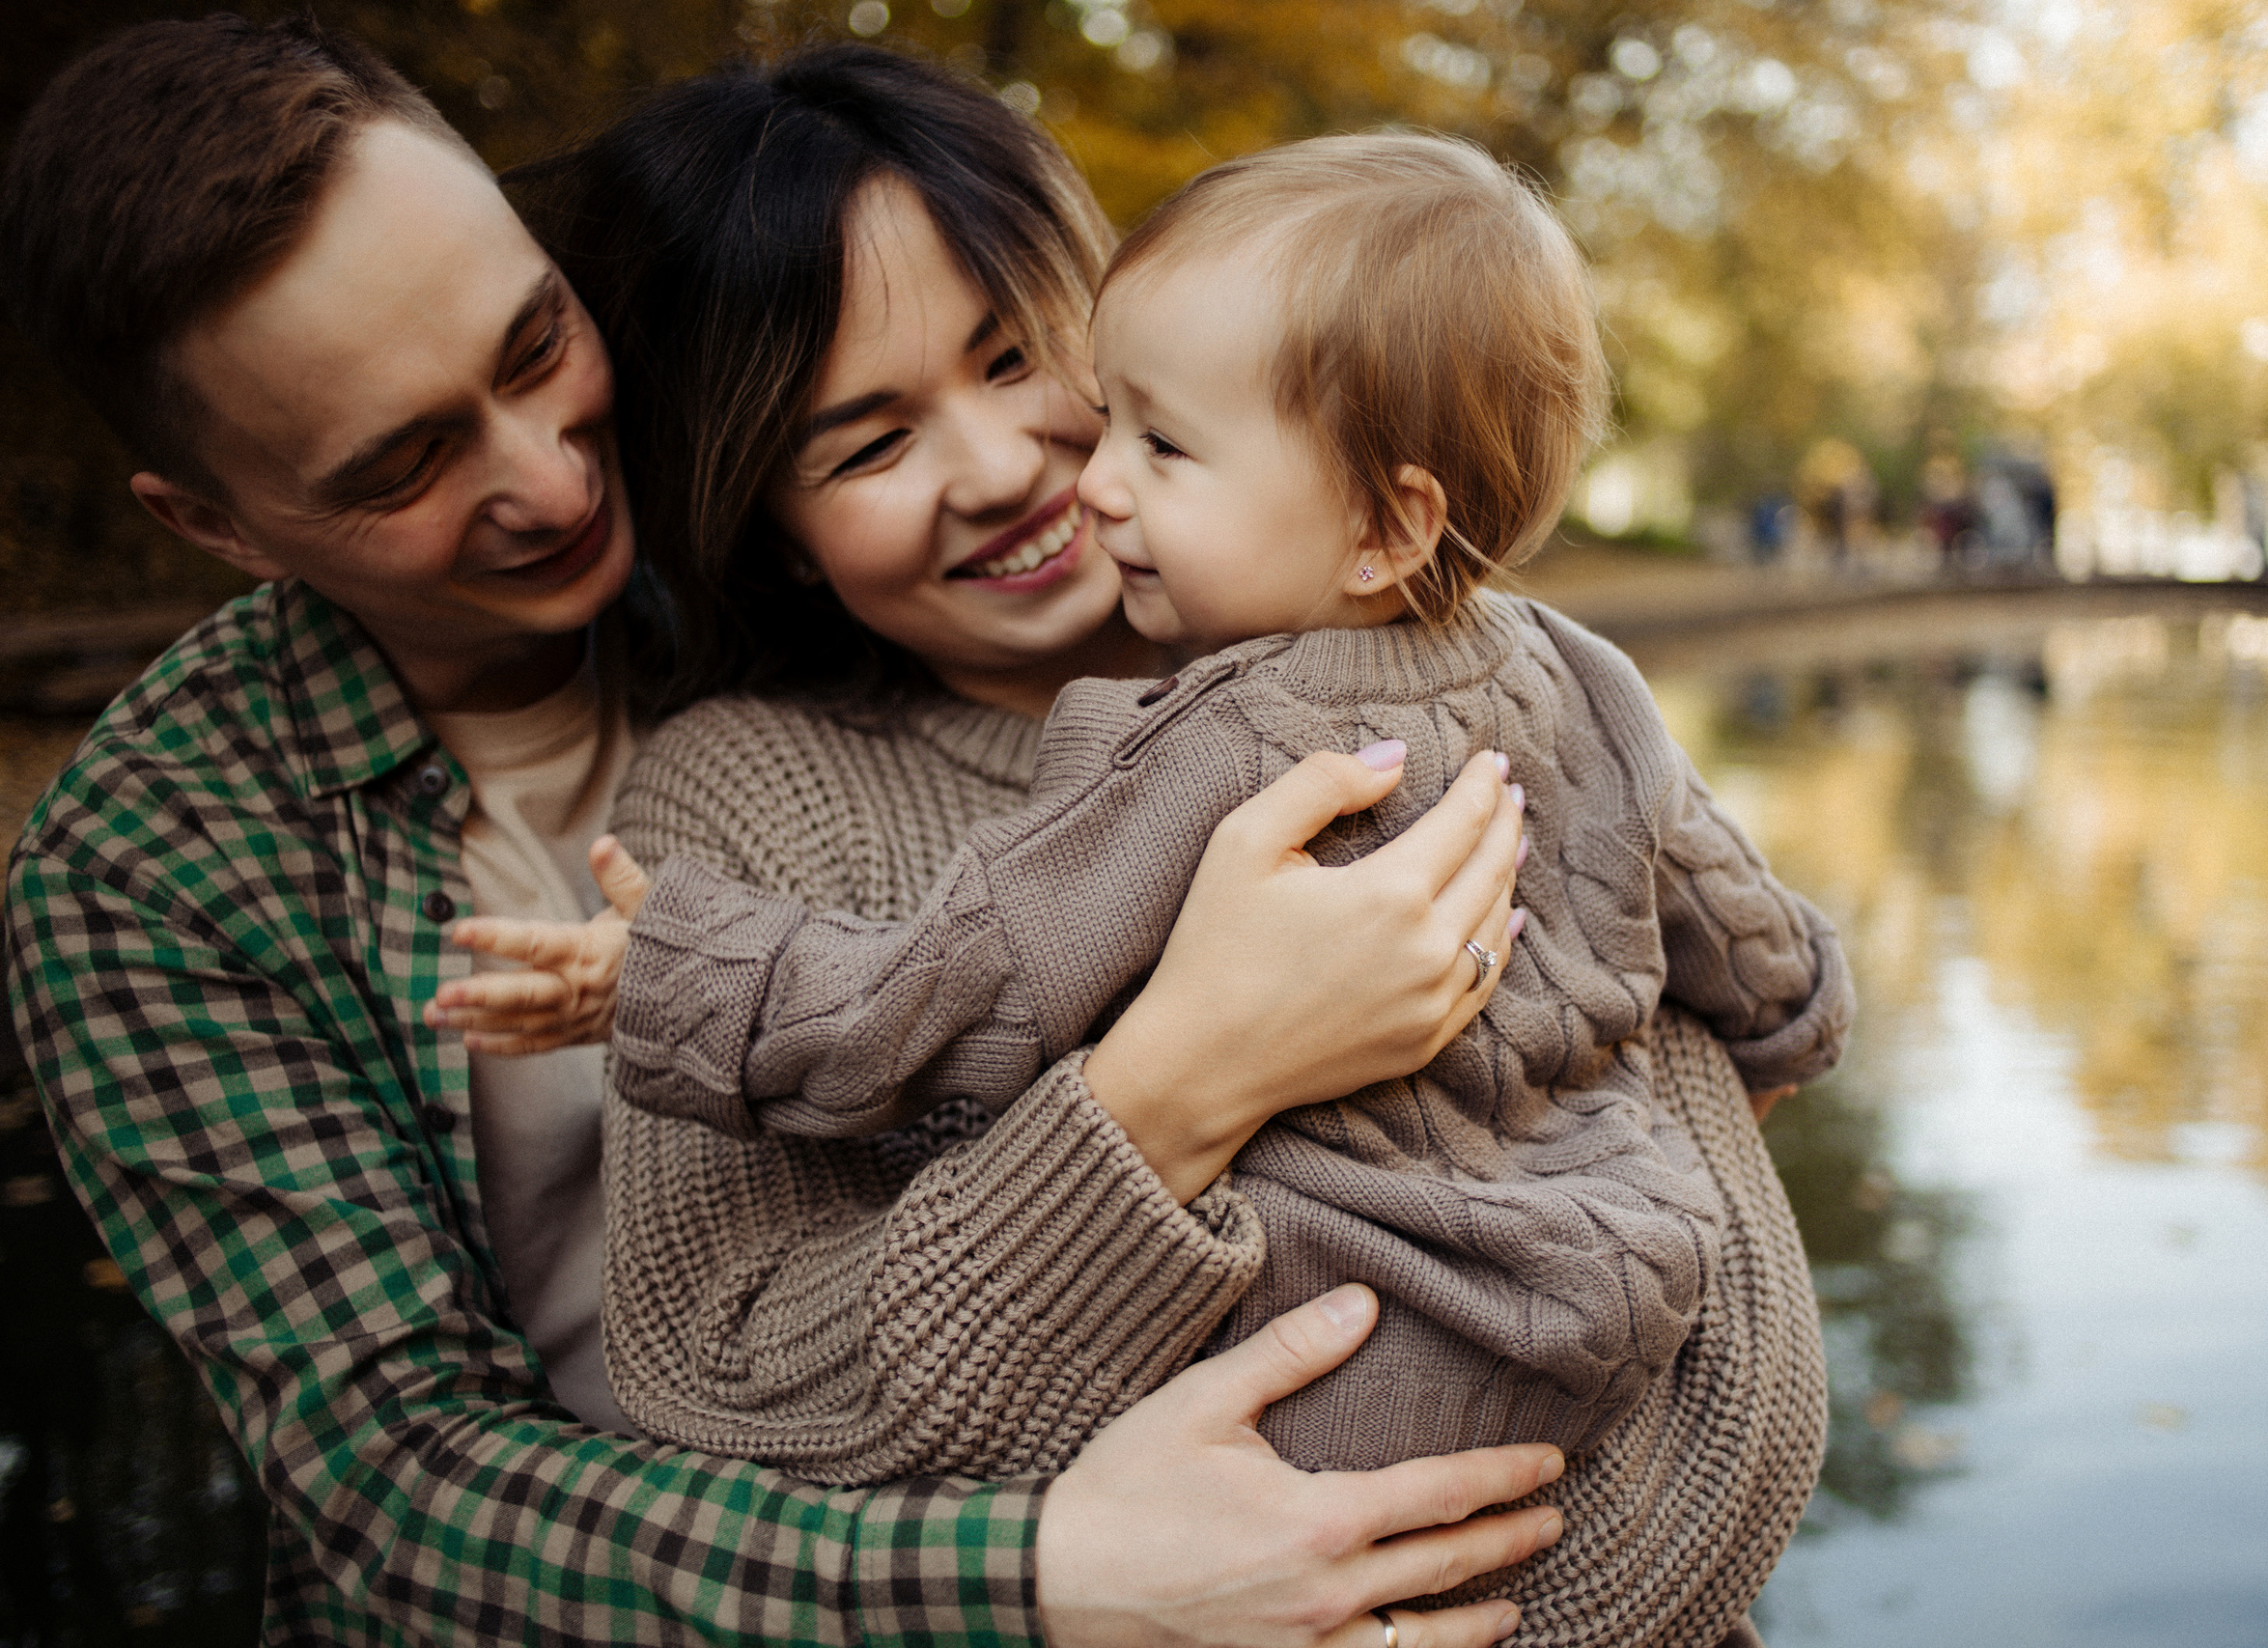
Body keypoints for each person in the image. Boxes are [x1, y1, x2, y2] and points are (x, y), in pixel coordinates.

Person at [0, 18, 1563, 1646]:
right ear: (218, 523)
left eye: (537, 347)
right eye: (405, 463)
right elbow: (406, 1487)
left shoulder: (949, 569)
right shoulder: (153, 866)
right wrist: (1047, 1582)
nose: (549, 481)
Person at [434, 54, 1832, 1648]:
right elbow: (734, 1380)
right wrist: (1177, 1082)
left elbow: (1694, 1100)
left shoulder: (1464, 665)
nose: (1012, 467)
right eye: (868, 444)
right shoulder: (747, 808)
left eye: (1023, 356)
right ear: (771, 521)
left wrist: (1608, 1566)